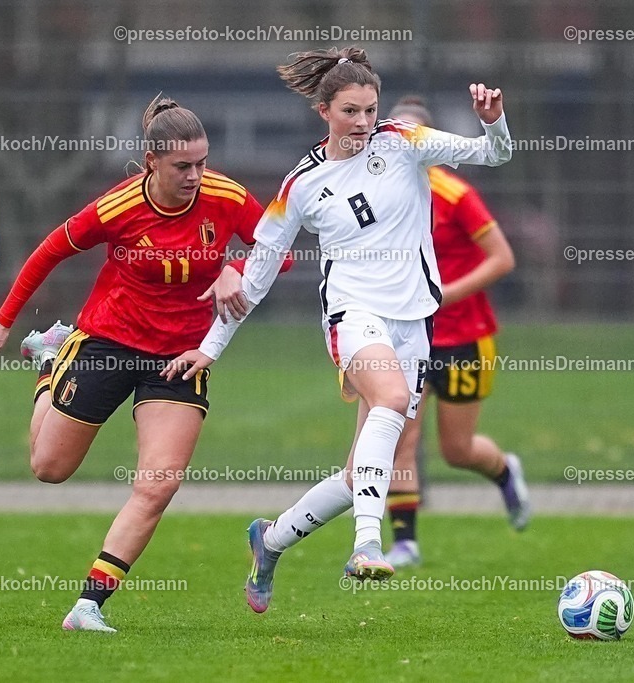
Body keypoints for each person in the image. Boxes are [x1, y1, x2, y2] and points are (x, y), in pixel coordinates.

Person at [162, 46, 513, 613]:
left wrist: (493, 119)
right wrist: (210, 348)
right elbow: (257, 275)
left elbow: (493, 155)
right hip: (353, 315)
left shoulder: (404, 143)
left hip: (414, 321)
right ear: (323, 110)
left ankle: (270, 542)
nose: (364, 122)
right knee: (392, 401)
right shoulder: (300, 185)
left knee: (359, 474)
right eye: (351, 111)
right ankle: (368, 546)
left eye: (370, 110)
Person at [0, 94, 288, 632]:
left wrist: (236, 266)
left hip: (182, 355)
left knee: (158, 484)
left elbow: (275, 247)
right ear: (151, 163)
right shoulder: (117, 208)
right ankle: (50, 363)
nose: (196, 176)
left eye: (202, 163)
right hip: (109, 343)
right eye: (183, 166)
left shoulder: (226, 196)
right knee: (50, 469)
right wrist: (2, 320)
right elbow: (50, 250)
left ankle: (88, 605)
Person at [381, 96, 529, 569]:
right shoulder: (376, 193)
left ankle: (506, 473)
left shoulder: (456, 196)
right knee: (400, 437)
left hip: (464, 336)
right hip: (406, 336)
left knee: (457, 450)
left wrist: (440, 294)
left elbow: (502, 259)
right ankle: (405, 541)